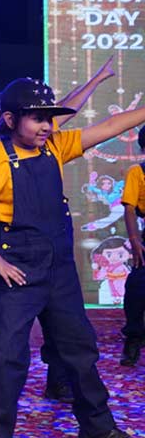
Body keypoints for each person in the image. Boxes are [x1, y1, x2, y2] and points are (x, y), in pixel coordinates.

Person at [0, 77, 138, 438]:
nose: (47, 127)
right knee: (5, 361)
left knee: (80, 352)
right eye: (37, 119)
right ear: (10, 119)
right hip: (17, 274)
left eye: (49, 119)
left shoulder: (55, 147)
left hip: (59, 272)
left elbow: (111, 125)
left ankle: (98, 428)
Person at [120, 125, 145, 366]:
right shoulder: (137, 171)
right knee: (137, 287)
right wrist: (134, 239)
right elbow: (129, 208)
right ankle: (134, 338)